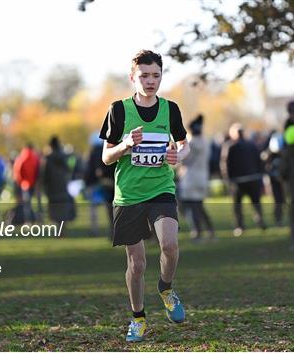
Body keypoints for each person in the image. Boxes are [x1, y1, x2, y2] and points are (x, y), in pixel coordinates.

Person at [99, 50, 189, 342]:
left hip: (161, 188)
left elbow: (184, 144)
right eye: (145, 76)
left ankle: (166, 287)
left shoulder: (170, 109)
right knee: (136, 265)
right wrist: (124, 145)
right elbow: (106, 158)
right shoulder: (119, 110)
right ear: (132, 77)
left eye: (156, 75)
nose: (151, 81)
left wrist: (178, 154)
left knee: (170, 245)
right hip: (129, 195)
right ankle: (138, 317)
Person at [220, 123, 266, 237]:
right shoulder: (252, 145)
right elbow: (259, 161)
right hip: (253, 179)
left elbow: (225, 164)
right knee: (256, 203)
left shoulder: (230, 146)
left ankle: (240, 226)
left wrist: (227, 178)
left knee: (237, 205)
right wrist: (260, 174)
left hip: (238, 181)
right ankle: (260, 222)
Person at [177, 114, 215, 242]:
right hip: (202, 177)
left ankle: (197, 232)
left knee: (190, 207)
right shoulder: (206, 142)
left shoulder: (190, 143)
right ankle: (210, 230)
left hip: (189, 178)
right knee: (199, 205)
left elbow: (183, 161)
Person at [42, 136, 76, 225]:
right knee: (63, 210)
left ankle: (58, 229)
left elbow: (45, 175)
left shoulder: (48, 159)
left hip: (52, 188)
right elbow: (69, 169)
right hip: (63, 187)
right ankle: (63, 229)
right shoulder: (64, 157)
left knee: (54, 211)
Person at [12, 143, 40, 224]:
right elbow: (38, 172)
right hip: (33, 184)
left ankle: (27, 220)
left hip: (24, 184)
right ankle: (36, 219)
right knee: (32, 202)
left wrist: (19, 182)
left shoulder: (21, 157)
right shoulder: (35, 158)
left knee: (25, 204)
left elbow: (17, 171)